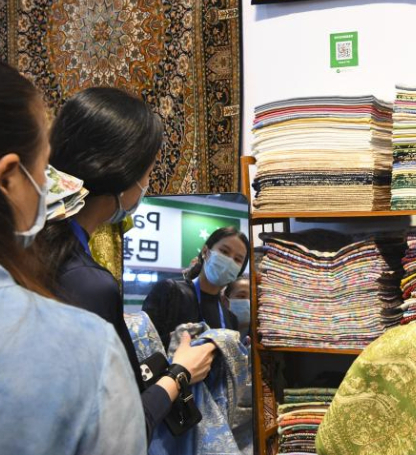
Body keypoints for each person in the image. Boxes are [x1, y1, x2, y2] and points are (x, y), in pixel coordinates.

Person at [34, 87, 216, 442]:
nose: (147, 185)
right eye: (147, 173)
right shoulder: (87, 283)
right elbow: (120, 432)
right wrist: (180, 373)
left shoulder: (31, 246)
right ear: (124, 177)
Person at [0, 62, 147, 454]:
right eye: (41, 160)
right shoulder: (86, 311)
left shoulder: (43, 257)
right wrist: (178, 377)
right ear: (10, 178)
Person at [143, 226, 249, 349]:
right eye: (224, 252)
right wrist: (176, 339)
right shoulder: (170, 291)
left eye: (237, 259)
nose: (230, 261)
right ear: (205, 252)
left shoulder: (230, 319)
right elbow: (141, 346)